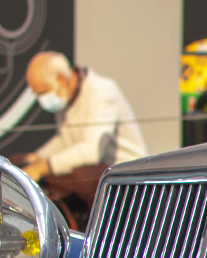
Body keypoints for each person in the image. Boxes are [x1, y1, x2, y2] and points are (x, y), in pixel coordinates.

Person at [15, 52, 147, 229]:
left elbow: (92, 151)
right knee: (19, 162)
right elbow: (65, 139)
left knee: (80, 174)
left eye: (43, 92)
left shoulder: (102, 91)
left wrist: (43, 167)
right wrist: (37, 158)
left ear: (61, 79)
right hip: (99, 178)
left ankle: (105, 231)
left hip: (127, 182)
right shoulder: (66, 96)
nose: (41, 100)